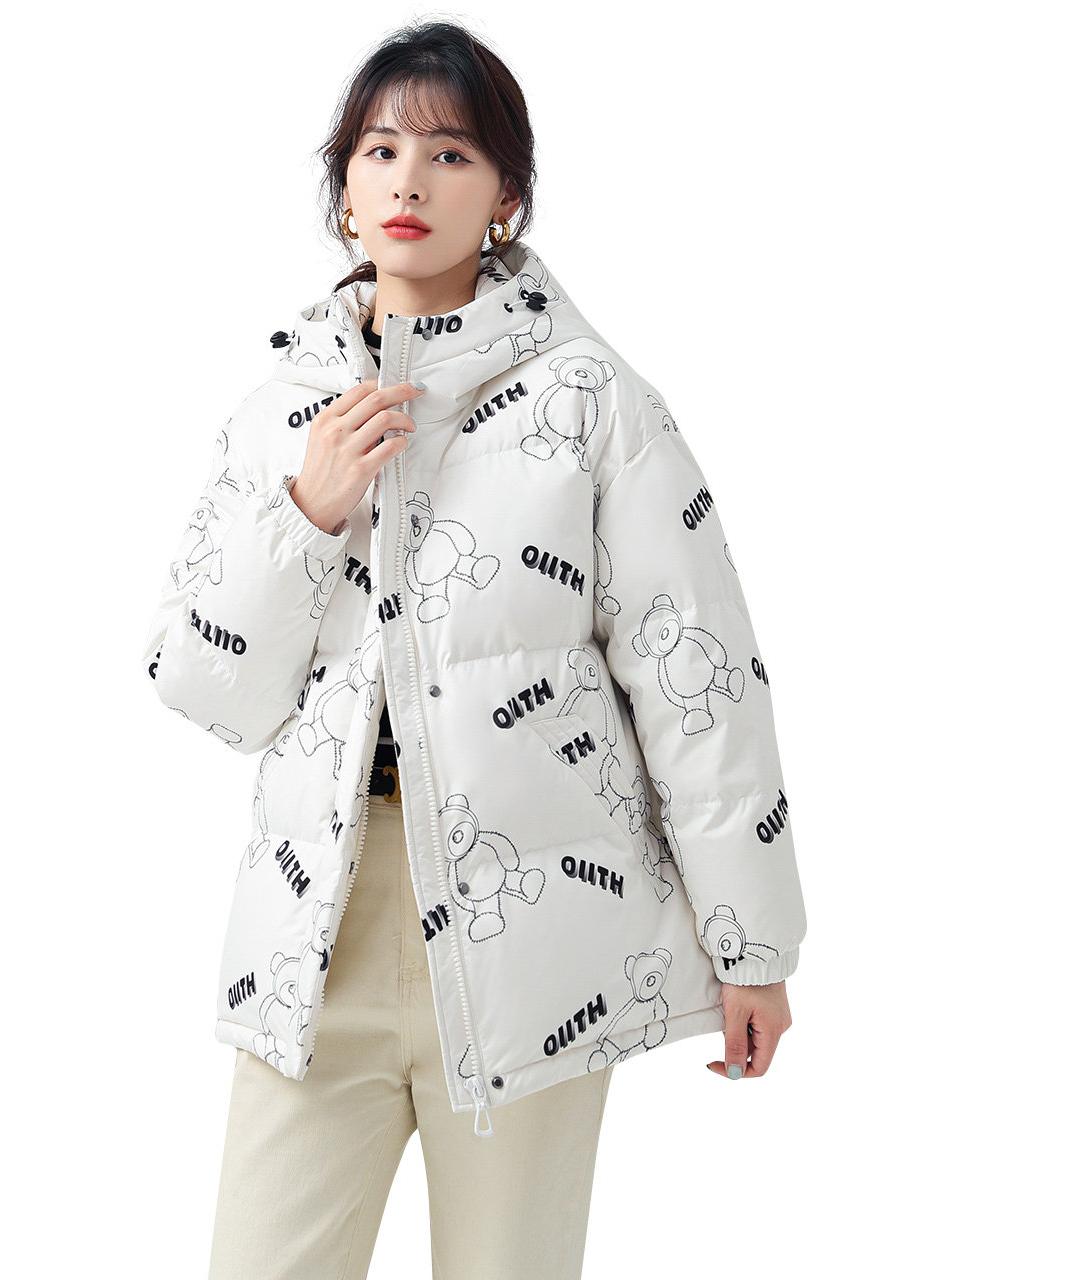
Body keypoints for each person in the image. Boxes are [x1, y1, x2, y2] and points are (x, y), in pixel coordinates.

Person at [142, 19, 806, 1280]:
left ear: (506, 193)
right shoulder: (279, 412)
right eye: (379, 149)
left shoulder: (589, 401)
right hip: (316, 930)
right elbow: (204, 687)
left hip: (536, 935)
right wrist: (307, 512)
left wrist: (752, 946)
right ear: (342, 189)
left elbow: (696, 679)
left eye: (449, 153)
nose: (409, 179)